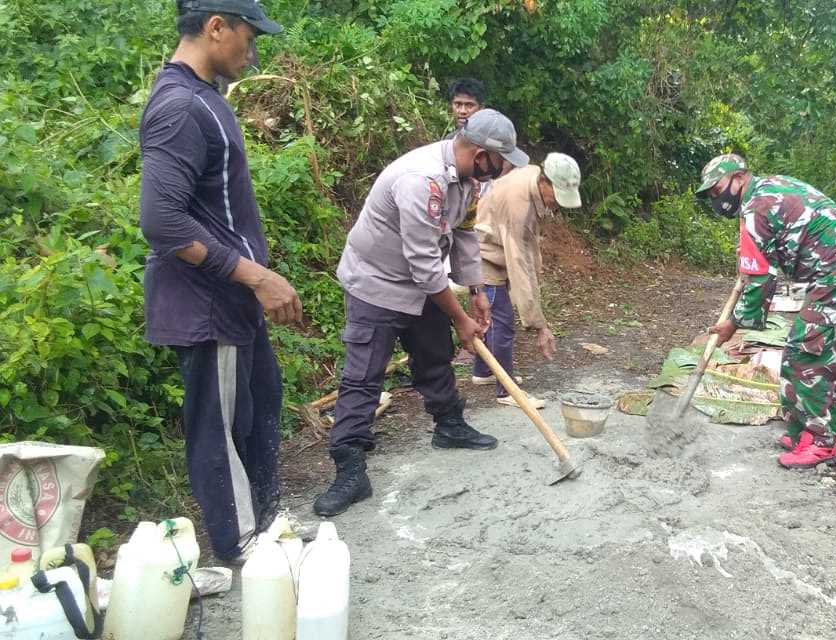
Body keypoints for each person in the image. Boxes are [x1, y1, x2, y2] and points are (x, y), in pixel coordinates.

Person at [138, 0, 298, 563]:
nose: (253, 53)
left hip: (233, 302)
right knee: (221, 429)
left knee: (261, 409)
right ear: (214, 28)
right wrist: (256, 275)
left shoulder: (208, 99)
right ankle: (244, 550)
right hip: (207, 306)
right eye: (248, 38)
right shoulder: (180, 106)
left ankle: (266, 527)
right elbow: (163, 223)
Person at [313, 109, 530, 516]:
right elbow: (425, 264)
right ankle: (350, 468)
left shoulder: (468, 181)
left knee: (434, 356)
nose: (501, 172)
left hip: (421, 285)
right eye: (501, 162)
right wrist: (460, 318)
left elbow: (464, 235)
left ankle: (449, 426)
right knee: (363, 376)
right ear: (482, 153)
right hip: (376, 284)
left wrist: (477, 291)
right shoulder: (421, 180)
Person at [696, 154, 836, 469]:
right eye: (712, 196)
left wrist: (733, 323)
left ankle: (819, 441)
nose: (717, 199)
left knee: (805, 354)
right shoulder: (771, 188)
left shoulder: (756, 205)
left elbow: (761, 281)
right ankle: (822, 430)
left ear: (740, 177)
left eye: (717, 189)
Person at [471, 153, 583, 408]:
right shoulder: (518, 206)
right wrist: (538, 324)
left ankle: (483, 371)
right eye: (555, 197)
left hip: (494, 248)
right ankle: (507, 390)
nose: (556, 205)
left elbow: (525, 252)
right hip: (483, 256)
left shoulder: (533, 175)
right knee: (502, 321)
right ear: (545, 181)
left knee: (494, 320)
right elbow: (519, 264)